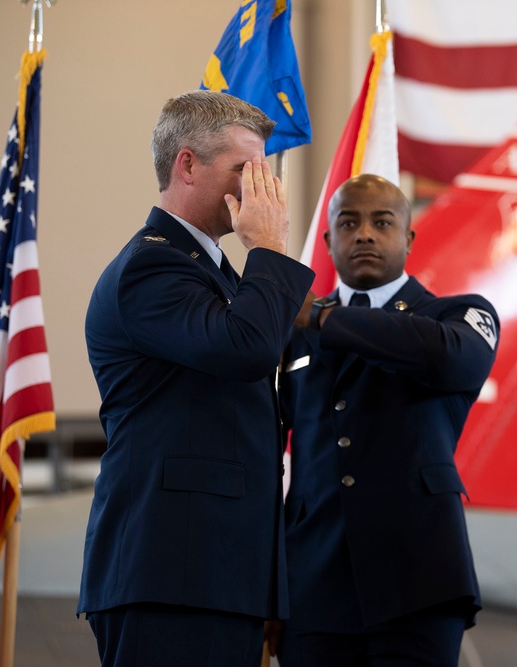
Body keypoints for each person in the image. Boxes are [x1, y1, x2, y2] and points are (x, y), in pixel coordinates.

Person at [77, 90, 314, 666]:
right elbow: (247, 349)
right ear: (186, 164)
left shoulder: (214, 271)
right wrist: (270, 248)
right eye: (244, 170)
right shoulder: (153, 265)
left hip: (215, 570)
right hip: (171, 570)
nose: (262, 190)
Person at [275, 174, 500, 667]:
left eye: (382, 222)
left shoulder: (457, 316)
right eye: (349, 222)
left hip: (417, 581)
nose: (364, 234)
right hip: (314, 585)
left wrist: (323, 318)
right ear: (329, 238)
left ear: (408, 237)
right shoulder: (292, 335)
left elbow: (451, 360)